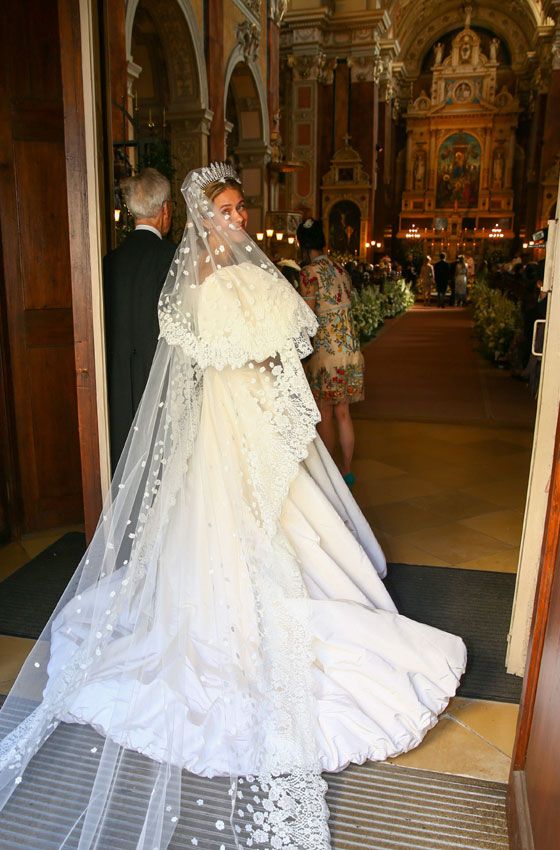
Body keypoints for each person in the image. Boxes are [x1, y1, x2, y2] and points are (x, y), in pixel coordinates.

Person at [0, 163, 466, 850]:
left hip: (248, 416)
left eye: (241, 206)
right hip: (223, 420)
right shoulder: (200, 278)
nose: (241, 216)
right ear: (203, 215)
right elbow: (222, 359)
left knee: (281, 520)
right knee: (226, 521)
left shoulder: (225, 275)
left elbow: (266, 355)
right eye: (229, 207)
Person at [103, 168, 176, 468]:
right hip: (159, 375)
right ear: (165, 210)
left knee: (124, 463)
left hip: (117, 376)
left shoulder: (109, 262)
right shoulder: (173, 257)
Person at [297, 219, 364, 487]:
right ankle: (347, 469)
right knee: (343, 413)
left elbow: (309, 317)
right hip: (349, 350)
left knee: (324, 412)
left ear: (303, 244)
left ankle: (329, 474)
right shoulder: (341, 269)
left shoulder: (309, 273)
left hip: (325, 354)